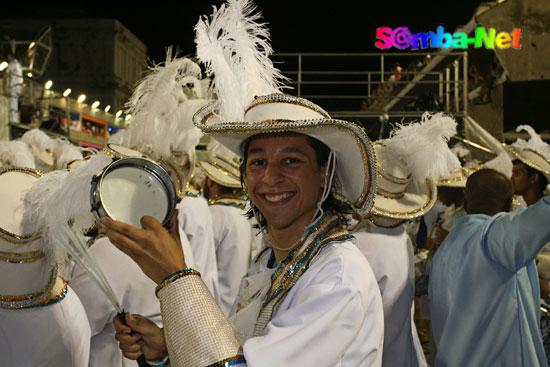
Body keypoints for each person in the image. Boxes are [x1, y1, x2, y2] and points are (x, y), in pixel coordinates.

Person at [429, 168, 550, 366]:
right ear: (509, 206)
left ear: (466, 203)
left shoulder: (447, 246)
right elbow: (544, 213)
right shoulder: (494, 238)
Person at [198, 139, 254, 316]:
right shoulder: (245, 214)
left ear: (211, 183)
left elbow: (200, 262)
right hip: (238, 306)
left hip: (215, 307)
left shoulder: (215, 213)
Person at [6, 50, 23, 123]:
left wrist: (17, 87)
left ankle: (14, 120)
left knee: (13, 103)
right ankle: (12, 119)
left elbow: (18, 77)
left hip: (14, 86)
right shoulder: (11, 64)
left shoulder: (16, 65)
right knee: (11, 103)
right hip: (12, 86)